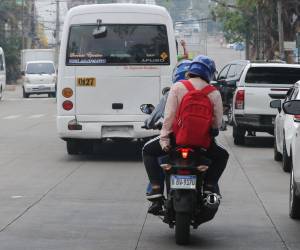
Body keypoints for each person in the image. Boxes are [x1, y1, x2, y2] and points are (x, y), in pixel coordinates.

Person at [143, 55, 229, 214]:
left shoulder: (177, 87)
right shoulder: (213, 93)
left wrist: (164, 141)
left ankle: (155, 188)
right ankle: (209, 185)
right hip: (203, 144)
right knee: (223, 155)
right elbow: (216, 124)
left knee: (147, 150)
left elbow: (168, 118)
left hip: (176, 140)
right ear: (209, 73)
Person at [144, 59, 192, 194]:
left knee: (148, 151)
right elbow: (218, 121)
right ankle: (211, 188)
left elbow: (156, 116)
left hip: (173, 138)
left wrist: (149, 123)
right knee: (214, 160)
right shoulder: (207, 91)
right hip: (199, 141)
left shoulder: (170, 92)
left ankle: (155, 190)